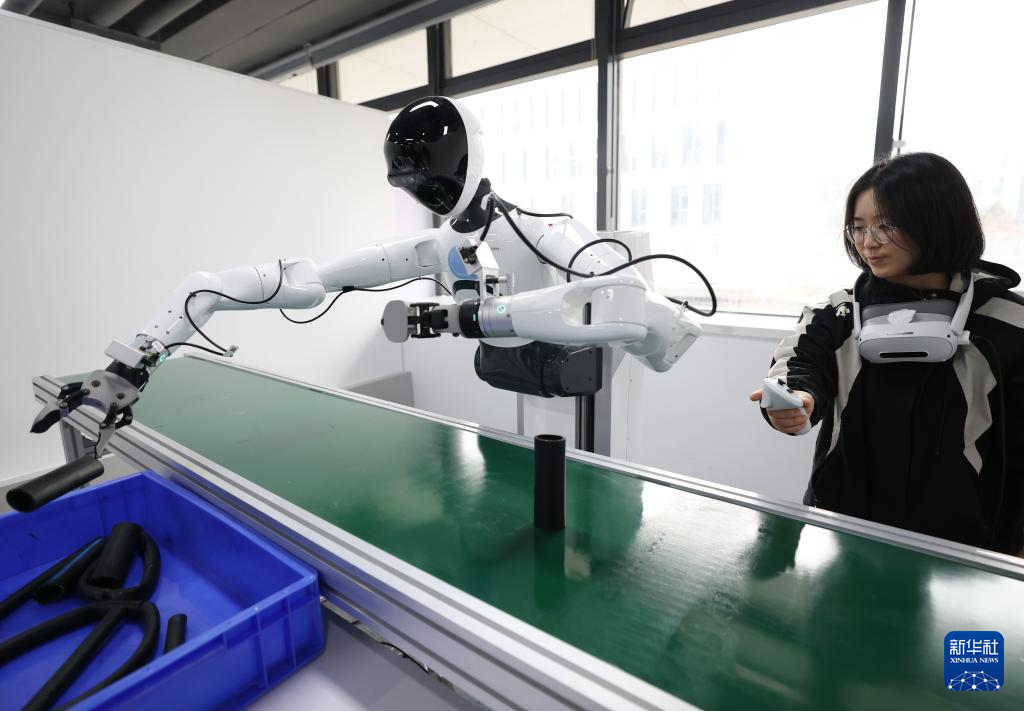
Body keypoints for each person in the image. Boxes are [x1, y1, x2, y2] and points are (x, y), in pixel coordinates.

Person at [749, 152, 1024, 554]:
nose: (868, 242)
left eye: (886, 225)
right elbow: (798, 367)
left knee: (965, 604)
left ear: (938, 220)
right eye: (858, 227)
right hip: (842, 535)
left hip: (968, 552)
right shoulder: (836, 313)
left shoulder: (1009, 322)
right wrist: (795, 401)